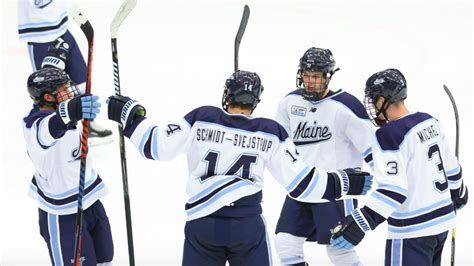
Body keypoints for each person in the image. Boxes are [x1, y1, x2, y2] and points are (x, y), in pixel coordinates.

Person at [106, 70, 373, 266]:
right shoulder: (270, 132)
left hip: (202, 225)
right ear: (255, 101)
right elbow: (301, 184)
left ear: (226, 95)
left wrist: (130, 116)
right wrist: (343, 182)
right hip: (247, 229)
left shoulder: (202, 118)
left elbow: (154, 146)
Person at [330, 68, 468, 266]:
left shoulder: (389, 135)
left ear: (382, 100)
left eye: (373, 99)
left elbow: (394, 190)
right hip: (441, 226)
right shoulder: (430, 121)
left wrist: (361, 221)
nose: (371, 104)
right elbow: (453, 170)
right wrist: (459, 193)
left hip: (412, 232)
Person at [273, 47, 374, 266]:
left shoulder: (346, 107)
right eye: (307, 76)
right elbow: (278, 145)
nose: (310, 82)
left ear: (328, 76)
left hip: (337, 191)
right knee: (285, 243)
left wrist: (392, 183)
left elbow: (374, 150)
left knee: (339, 249)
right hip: (301, 187)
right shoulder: (289, 102)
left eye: (316, 77)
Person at [22, 67, 114, 265]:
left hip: (90, 200)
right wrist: (70, 111)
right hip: (63, 215)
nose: (70, 91)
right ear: (48, 96)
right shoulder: (35, 126)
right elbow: (50, 129)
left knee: (106, 259)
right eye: (63, 89)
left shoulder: (58, 108)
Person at [18, 0, 113, 145]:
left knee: (81, 80)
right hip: (39, 32)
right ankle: (48, 131)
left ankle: (87, 125)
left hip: (61, 26)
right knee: (48, 89)